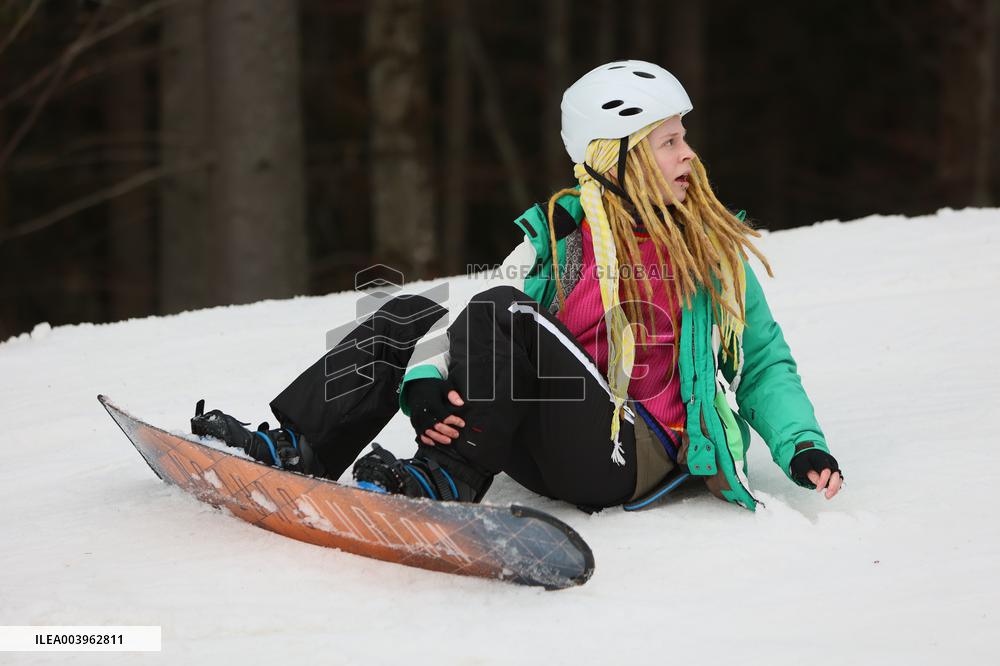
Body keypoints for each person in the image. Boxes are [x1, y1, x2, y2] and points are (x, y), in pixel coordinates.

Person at [192, 60, 842, 512]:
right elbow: (463, 326)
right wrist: (423, 391)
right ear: (615, 157)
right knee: (415, 310)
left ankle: (450, 476)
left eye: (684, 138)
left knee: (505, 311)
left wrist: (801, 444)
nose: (689, 156)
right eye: (669, 142)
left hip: (629, 454)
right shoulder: (559, 244)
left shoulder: (705, 254)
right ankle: (300, 444)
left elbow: (762, 362)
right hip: (543, 441)